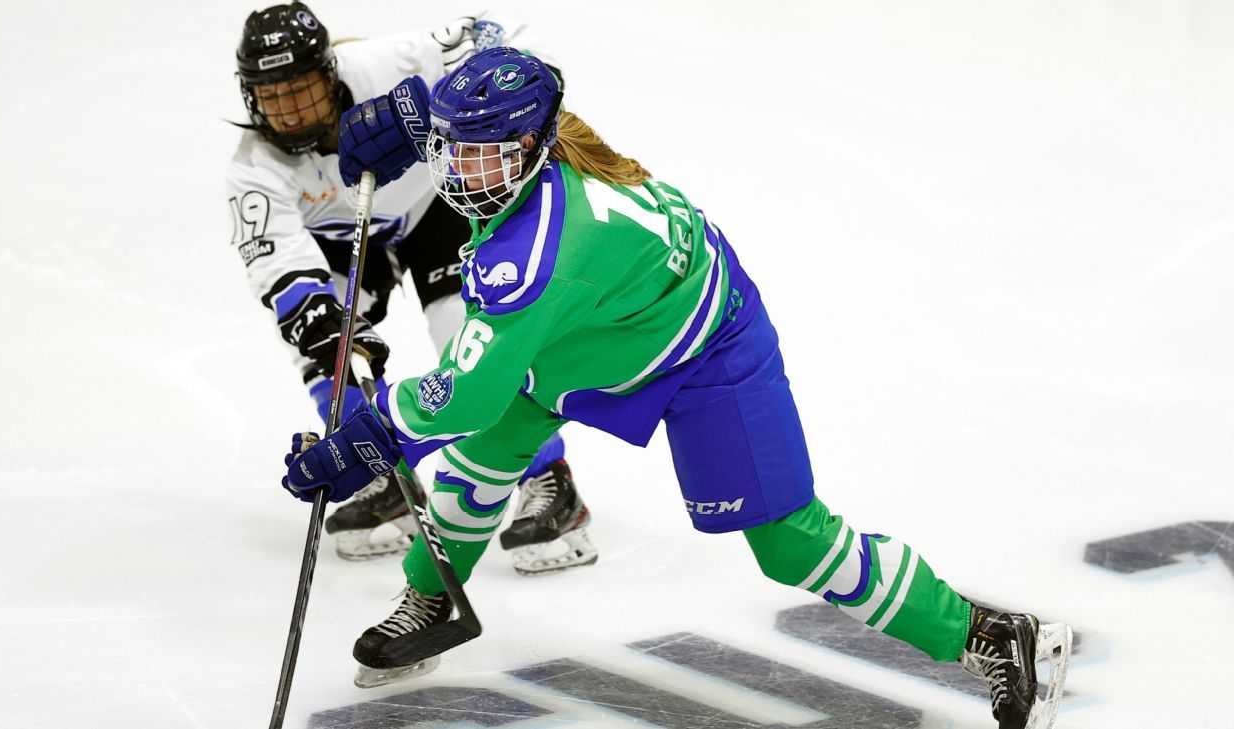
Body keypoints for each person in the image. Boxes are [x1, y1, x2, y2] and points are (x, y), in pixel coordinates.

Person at [281, 48, 1074, 729]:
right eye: (450, 148)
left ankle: (992, 635)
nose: (456, 169)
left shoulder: (543, 250)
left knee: (791, 541)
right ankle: (435, 597)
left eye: (477, 152)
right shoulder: (530, 151)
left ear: (526, 149)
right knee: (482, 464)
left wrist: (363, 437)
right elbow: (487, 81)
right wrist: (412, 112)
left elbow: (464, 394)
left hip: (705, 352)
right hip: (586, 334)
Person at [228, 3, 597, 573]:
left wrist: (430, 108)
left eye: (299, 89)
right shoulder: (253, 167)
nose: (289, 112)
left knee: (472, 339)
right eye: (271, 96)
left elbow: (507, 42)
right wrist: (321, 324)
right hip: (349, 236)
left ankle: (551, 482)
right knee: (332, 354)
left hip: (438, 204)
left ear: (328, 71)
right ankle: (382, 483)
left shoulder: (386, 63)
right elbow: (278, 263)